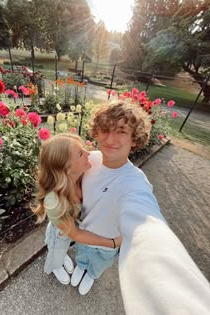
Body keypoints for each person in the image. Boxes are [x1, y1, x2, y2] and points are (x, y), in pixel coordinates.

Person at [71, 100, 210, 313]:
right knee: (82, 257)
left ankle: (91, 274)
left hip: (109, 245)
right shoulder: (91, 161)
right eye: (105, 129)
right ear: (96, 132)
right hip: (83, 234)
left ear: (134, 139)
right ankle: (81, 267)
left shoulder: (136, 183)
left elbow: (146, 219)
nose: (110, 139)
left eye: (121, 131)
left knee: (97, 266)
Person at [32, 133, 122, 286]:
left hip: (74, 227)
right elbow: (76, 234)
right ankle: (54, 266)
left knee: (64, 247)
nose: (89, 153)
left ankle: (61, 255)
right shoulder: (54, 202)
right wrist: (112, 243)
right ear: (66, 168)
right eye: (81, 153)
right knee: (57, 250)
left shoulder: (83, 174)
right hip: (61, 232)